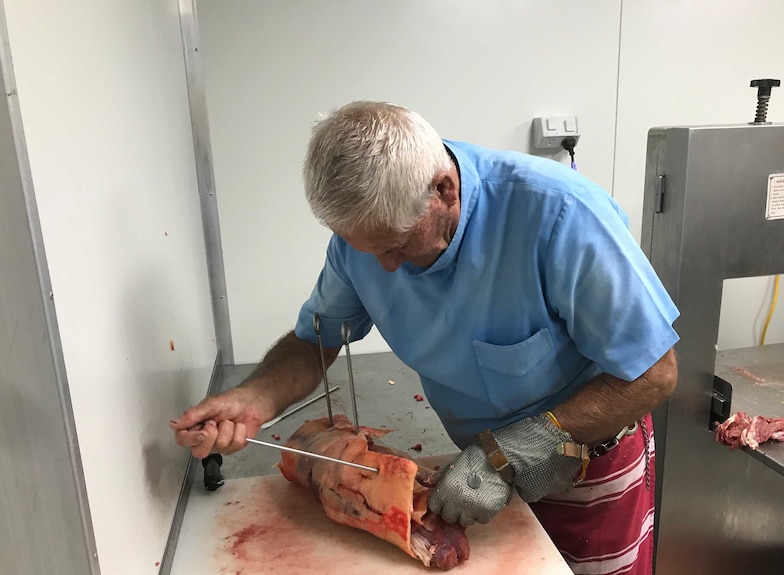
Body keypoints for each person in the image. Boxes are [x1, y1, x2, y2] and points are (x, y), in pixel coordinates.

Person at [171, 100, 679, 575]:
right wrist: (252, 397)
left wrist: (518, 449)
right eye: (369, 251)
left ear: (444, 190)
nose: (386, 268)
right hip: (471, 474)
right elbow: (316, 340)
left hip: (585, 461)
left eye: (397, 246)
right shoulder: (366, 241)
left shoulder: (562, 215)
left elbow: (654, 373)